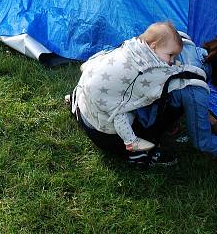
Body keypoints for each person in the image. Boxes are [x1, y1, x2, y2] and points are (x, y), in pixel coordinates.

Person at [72, 30, 217, 166]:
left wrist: (215, 124)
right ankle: (144, 153)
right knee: (174, 103)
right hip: (105, 135)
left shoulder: (181, 41)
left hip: (83, 100)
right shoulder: (195, 86)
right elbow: (203, 142)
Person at [71, 22, 189, 156]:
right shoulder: (146, 68)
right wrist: (187, 70)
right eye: (170, 55)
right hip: (104, 110)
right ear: (154, 46)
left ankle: (73, 99)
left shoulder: (132, 47)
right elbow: (169, 78)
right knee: (120, 113)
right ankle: (131, 142)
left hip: (90, 83)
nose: (171, 61)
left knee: (104, 91)